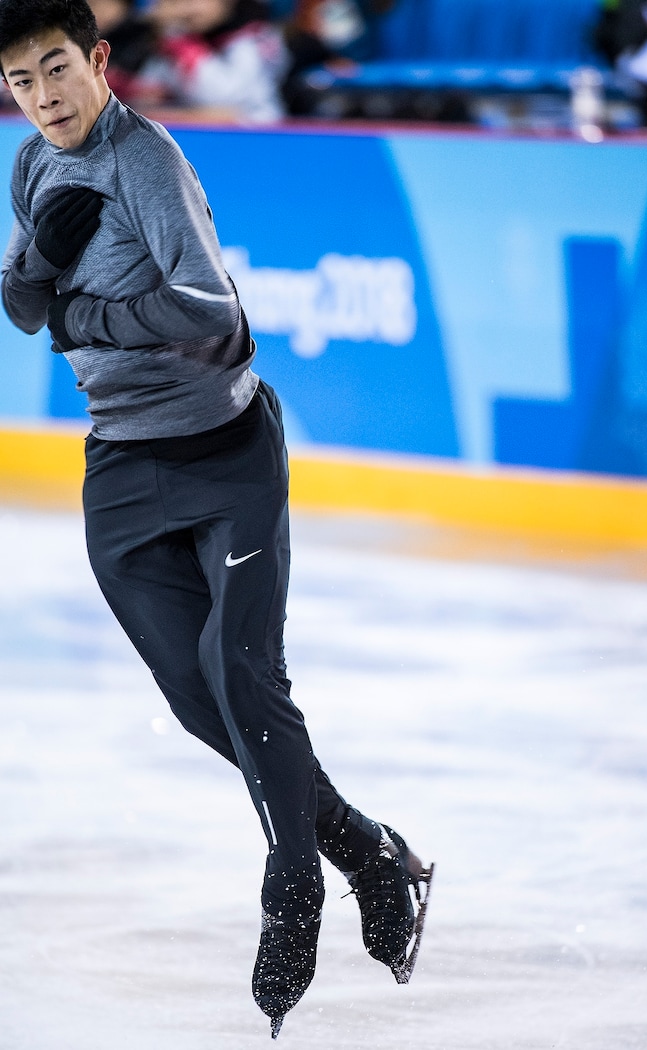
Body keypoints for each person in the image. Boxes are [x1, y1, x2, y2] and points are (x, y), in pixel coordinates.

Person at [0, 0, 432, 1038]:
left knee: (247, 679)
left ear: (99, 60)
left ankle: (294, 890)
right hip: (121, 470)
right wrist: (37, 270)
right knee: (204, 706)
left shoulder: (144, 160)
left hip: (225, 455)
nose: (44, 97)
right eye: (21, 82)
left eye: (58, 69)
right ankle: (373, 854)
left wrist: (83, 312)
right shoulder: (30, 167)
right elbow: (20, 305)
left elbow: (211, 309)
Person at [142, 0, 289, 123]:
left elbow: (224, 101)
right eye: (178, 3)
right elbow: (147, 98)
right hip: (200, 142)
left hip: (261, 141)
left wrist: (178, 41)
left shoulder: (253, 37)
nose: (187, 10)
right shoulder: (185, 39)